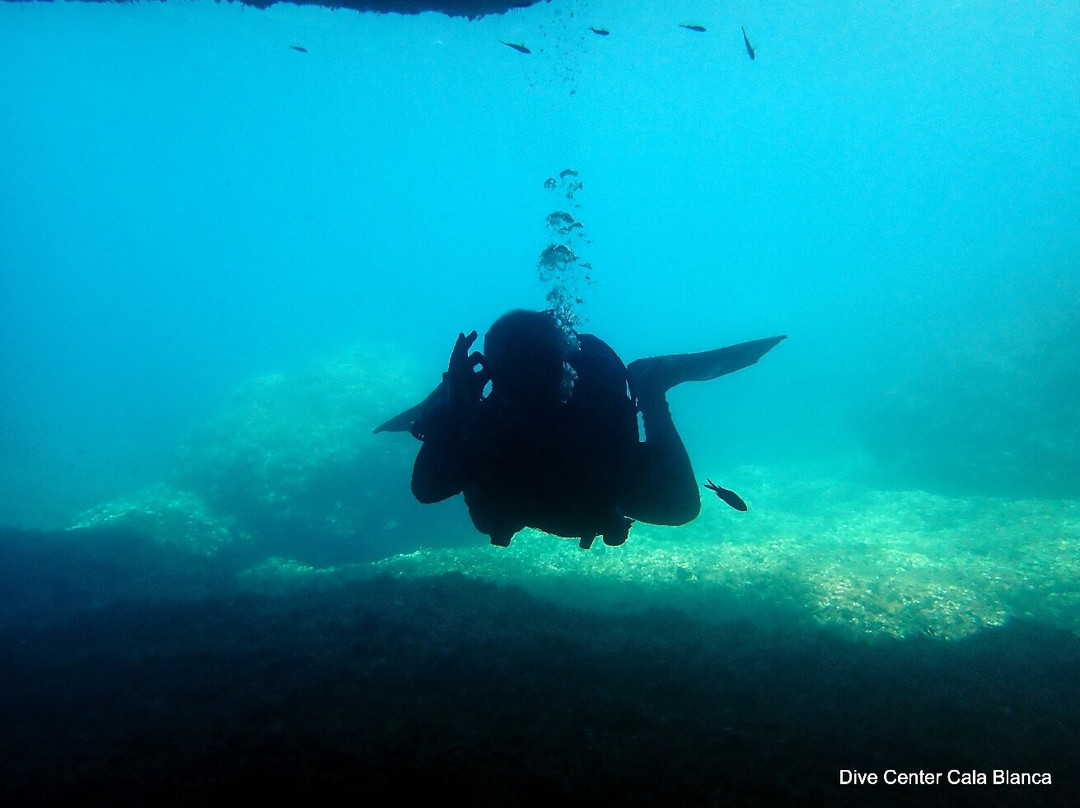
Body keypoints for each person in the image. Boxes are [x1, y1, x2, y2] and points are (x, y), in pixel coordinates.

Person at [375, 310, 785, 549]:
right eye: (514, 374)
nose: (528, 384)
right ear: (495, 374)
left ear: (560, 364)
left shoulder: (592, 395)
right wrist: (453, 409)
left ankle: (651, 383)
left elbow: (672, 500)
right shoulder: (482, 414)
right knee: (488, 513)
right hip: (545, 502)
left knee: (681, 508)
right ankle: (649, 386)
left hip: (593, 483)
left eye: (538, 370)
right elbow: (427, 490)